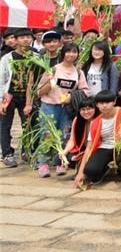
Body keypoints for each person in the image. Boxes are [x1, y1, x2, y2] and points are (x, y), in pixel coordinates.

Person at [36, 42, 90, 177]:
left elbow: (85, 91)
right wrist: (49, 83)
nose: (71, 54)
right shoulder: (53, 70)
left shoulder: (78, 72)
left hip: (67, 109)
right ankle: (43, 164)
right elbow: (39, 92)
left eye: (74, 52)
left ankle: (60, 162)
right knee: (47, 135)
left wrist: (71, 96)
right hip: (49, 106)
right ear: (63, 53)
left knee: (64, 136)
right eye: (68, 51)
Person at [75, 90, 121, 186]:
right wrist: (80, 172)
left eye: (107, 102)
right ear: (97, 105)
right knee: (90, 171)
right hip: (106, 146)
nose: (104, 105)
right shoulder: (95, 122)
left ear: (114, 102)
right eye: (101, 103)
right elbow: (89, 147)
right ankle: (105, 168)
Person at [0, 28, 33, 167]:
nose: (25, 40)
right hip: (10, 95)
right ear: (16, 40)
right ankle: (7, 153)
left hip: (26, 96)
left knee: (27, 124)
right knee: (5, 125)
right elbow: (2, 79)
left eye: (28, 37)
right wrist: (1, 99)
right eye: (22, 37)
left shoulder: (34, 56)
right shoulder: (7, 58)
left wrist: (30, 101)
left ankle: (26, 151)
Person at [64, 95, 97, 169]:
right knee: (64, 157)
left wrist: (84, 154)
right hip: (83, 148)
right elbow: (72, 140)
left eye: (89, 109)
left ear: (95, 108)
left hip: (96, 149)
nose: (86, 112)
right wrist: (65, 151)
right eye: (83, 109)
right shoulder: (77, 120)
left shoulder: (99, 120)